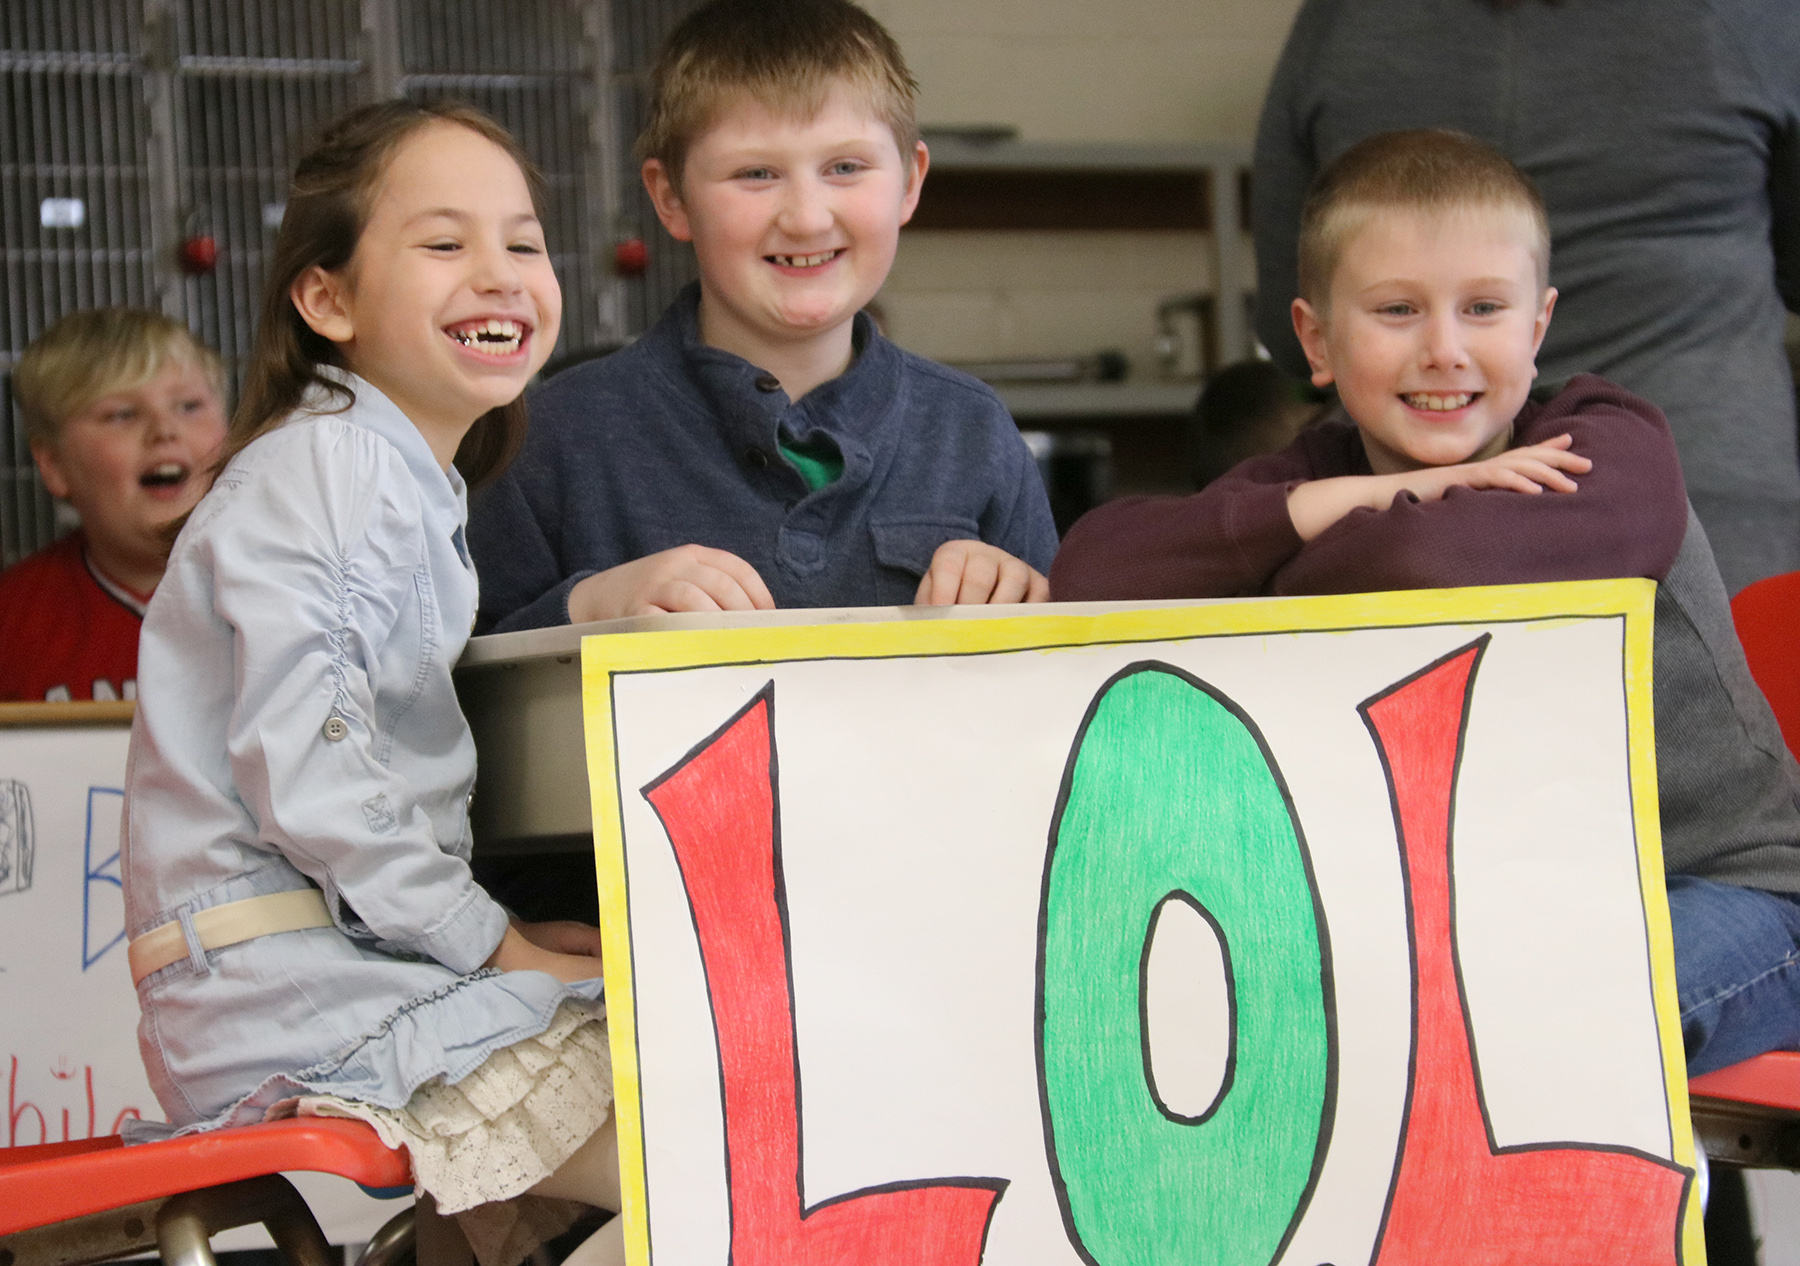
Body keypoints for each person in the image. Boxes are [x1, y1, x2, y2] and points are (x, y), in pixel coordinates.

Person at [1051, 129, 1800, 1079]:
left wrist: (1284, 549)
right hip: (1509, 914)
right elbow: (1094, 567)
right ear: (1317, 340)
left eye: (1484, 308)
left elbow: (1418, 562)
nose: (1445, 350)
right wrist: (1333, 501)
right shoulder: (1320, 472)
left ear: (1537, 329)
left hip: (1733, 894)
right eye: (1398, 311)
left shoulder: (1609, 450)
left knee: (1506, 1038)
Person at [122, 101, 626, 1266]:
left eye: (525, 242)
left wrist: (497, 940)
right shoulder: (336, 463)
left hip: (311, 977)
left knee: (666, 1053)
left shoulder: (392, 470)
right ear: (328, 299)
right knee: (723, 1119)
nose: (499, 275)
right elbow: (321, 769)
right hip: (290, 993)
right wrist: (492, 945)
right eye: (446, 245)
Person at [467, 0, 1056, 633]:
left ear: (909, 183)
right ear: (671, 198)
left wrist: (1030, 598)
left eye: (845, 168)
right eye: (755, 173)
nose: (806, 216)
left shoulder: (975, 432)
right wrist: (585, 607)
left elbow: (1069, 691)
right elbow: (458, 696)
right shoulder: (554, 435)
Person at [1251, 0, 1800, 596]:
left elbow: (1288, 314)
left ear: (1542, 324)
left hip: (1382, 508)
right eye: (1400, 308)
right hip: (1712, 482)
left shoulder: (1347, 20)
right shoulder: (1751, 16)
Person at [0, 309, 227, 702]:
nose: (164, 430)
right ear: (53, 465)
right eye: (123, 414)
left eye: (189, 406)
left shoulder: (310, 594)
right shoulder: (12, 625)